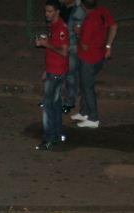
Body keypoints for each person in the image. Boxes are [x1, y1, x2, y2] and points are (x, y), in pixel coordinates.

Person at [71, 0, 117, 129]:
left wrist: (78, 32)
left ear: (83, 6)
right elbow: (114, 26)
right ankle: (84, 112)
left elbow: (84, 46)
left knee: (88, 88)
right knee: (85, 84)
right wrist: (108, 46)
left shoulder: (89, 21)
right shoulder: (102, 11)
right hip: (99, 56)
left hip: (88, 59)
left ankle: (93, 118)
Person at [34, 0, 69, 151]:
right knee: (55, 104)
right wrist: (46, 69)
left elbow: (64, 52)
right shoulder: (54, 26)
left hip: (57, 72)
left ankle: (49, 138)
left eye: (49, 11)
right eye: (45, 11)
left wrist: (46, 44)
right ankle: (58, 133)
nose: (46, 14)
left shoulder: (61, 28)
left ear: (57, 12)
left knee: (48, 107)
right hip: (53, 70)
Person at [60, 0, 85, 114]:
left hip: (71, 47)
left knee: (70, 75)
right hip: (64, 44)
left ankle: (69, 103)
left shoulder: (78, 11)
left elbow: (78, 32)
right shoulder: (63, 6)